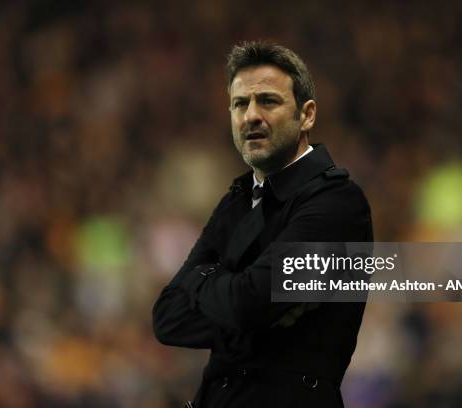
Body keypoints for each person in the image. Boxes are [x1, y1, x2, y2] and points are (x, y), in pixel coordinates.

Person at [152, 41, 373, 408]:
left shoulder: (337, 204)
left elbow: (247, 305)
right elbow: (167, 318)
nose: (251, 115)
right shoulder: (236, 201)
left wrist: (208, 283)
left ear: (307, 115)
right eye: (240, 104)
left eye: (268, 101)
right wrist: (249, 313)